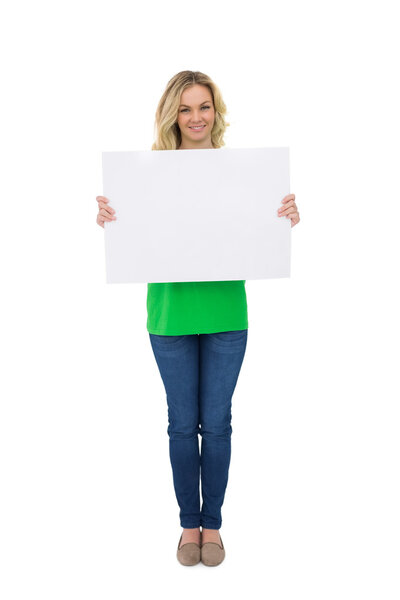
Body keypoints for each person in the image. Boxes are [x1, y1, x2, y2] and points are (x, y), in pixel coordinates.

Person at [96, 70, 300, 567]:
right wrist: (111, 218)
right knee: (183, 425)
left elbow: (257, 230)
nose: (195, 117)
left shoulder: (245, 173)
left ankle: (215, 525)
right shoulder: (143, 176)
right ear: (172, 114)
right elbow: (134, 239)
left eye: (204, 106)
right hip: (170, 314)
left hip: (227, 311)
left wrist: (284, 216)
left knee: (220, 424)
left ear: (216, 111)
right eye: (185, 108)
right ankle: (190, 525)